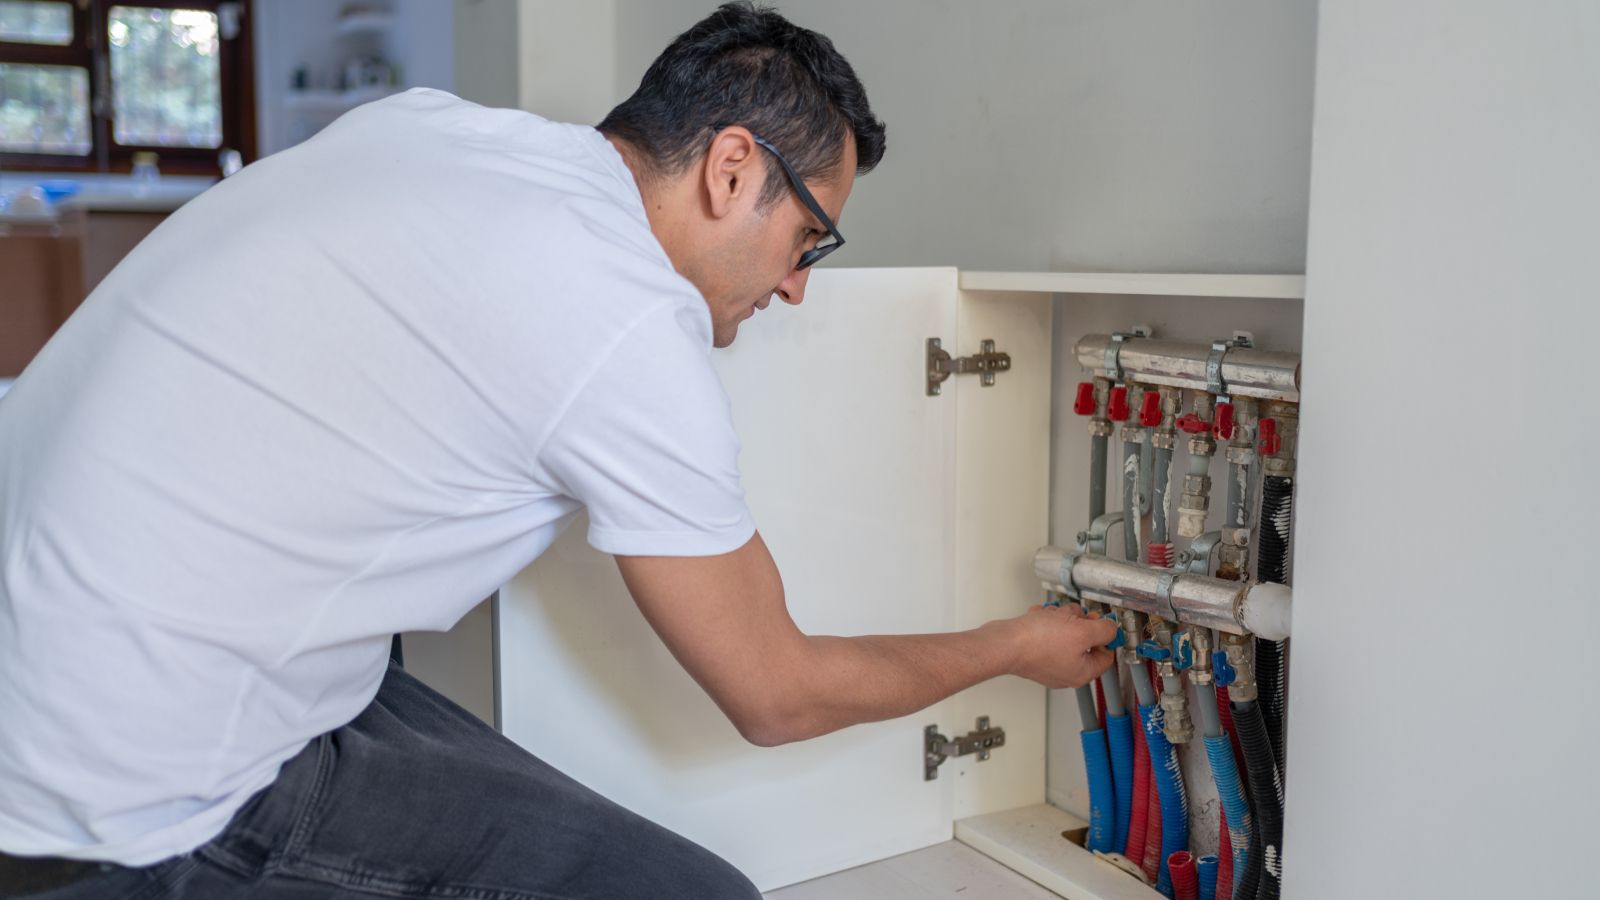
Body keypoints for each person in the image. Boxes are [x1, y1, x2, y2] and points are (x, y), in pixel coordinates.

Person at [0, 3, 1116, 898]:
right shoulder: (623, 316)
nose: (794, 283)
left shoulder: (435, 128)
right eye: (807, 236)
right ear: (732, 168)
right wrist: (1012, 645)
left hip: (49, 644)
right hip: (122, 798)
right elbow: (775, 693)